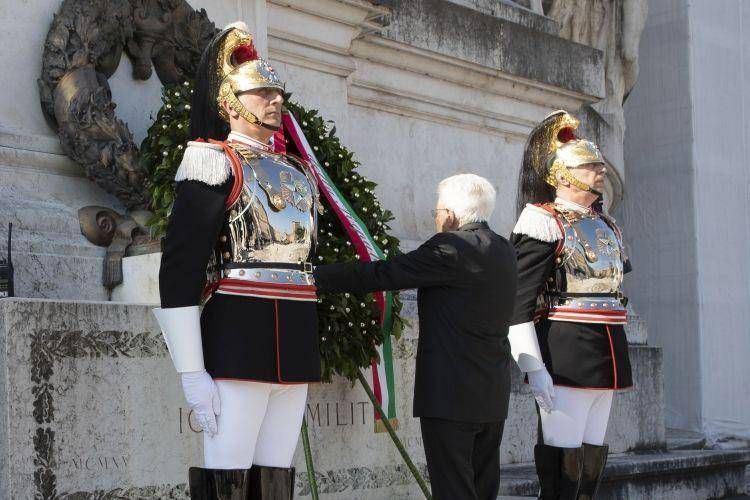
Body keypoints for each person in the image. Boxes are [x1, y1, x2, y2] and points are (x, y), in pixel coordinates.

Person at [152, 22, 323, 499]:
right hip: (238, 337)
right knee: (227, 478)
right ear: (230, 101)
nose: (275, 100)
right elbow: (180, 269)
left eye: (277, 91)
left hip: (295, 339)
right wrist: (191, 370)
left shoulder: (296, 172)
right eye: (262, 91)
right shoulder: (213, 161)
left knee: (274, 479)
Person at [314, 174, 517, 500]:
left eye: (437, 211)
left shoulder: (451, 246)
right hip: (492, 393)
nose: (436, 218)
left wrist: (313, 276)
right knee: (483, 488)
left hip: (451, 395)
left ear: (450, 215)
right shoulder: (505, 250)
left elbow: (382, 273)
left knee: (453, 490)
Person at [507, 110, 633, 499]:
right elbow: (518, 303)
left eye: (599, 164)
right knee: (564, 461)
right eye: (589, 164)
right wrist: (532, 366)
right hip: (567, 353)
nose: (600, 171)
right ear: (561, 174)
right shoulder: (542, 221)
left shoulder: (605, 223)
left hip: (607, 348)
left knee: (592, 456)